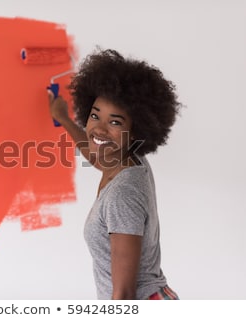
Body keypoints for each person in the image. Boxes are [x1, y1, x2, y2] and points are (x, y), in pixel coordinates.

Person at [48, 48, 181, 300]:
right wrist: (64, 119)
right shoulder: (130, 160)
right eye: (95, 115)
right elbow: (98, 156)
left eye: (115, 122)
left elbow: (124, 293)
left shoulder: (123, 196)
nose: (99, 128)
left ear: (135, 131)